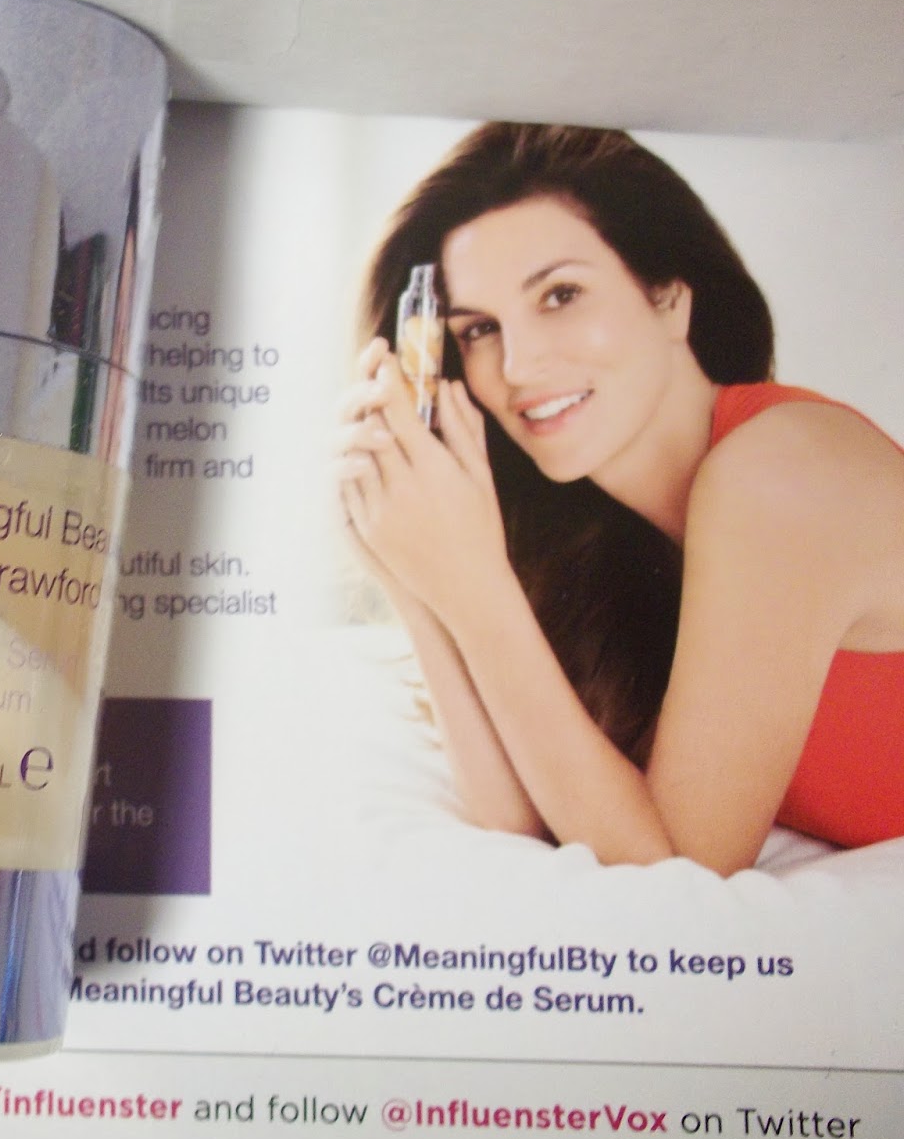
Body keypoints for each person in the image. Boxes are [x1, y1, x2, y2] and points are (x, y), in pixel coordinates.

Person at [336, 123, 904, 875]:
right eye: (478, 330)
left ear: (668, 297)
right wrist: (414, 573)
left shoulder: (782, 473)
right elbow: (519, 817)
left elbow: (679, 868)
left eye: (560, 295)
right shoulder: (615, 547)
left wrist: (477, 587)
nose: (519, 364)